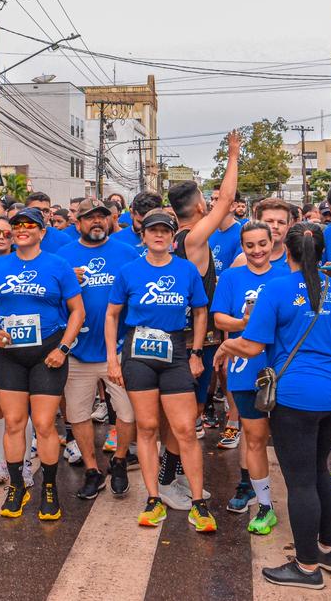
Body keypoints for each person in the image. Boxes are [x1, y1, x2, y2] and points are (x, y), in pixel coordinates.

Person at [222, 223, 331, 589]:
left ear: (289, 252)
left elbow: (252, 345)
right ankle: (330, 550)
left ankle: (306, 567)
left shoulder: (278, 289)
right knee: (319, 471)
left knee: (300, 481)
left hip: (298, 396)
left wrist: (225, 347)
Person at [104, 210, 213, 532]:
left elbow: (200, 311)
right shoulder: (128, 272)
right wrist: (113, 358)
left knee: (185, 429)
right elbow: (112, 316)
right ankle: (153, 499)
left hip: (176, 350)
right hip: (138, 352)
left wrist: (195, 352)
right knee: (148, 428)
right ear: (144, 235)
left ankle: (198, 503)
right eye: (154, 230)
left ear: (173, 236)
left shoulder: (186, 270)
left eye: (166, 230)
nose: (159, 235)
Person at [0, 206, 85, 520]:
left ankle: (49, 488)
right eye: (16, 224)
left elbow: (77, 311)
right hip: (10, 353)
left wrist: (63, 348)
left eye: (29, 225)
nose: (21, 229)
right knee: (13, 424)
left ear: (41, 231)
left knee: (43, 424)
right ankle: (16, 487)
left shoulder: (58, 265)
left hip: (48, 353)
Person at [163, 130, 240, 498]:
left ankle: (171, 473)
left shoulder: (171, 241)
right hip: (195, 341)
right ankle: (169, 477)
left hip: (180, 336)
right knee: (188, 412)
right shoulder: (192, 239)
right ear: (197, 208)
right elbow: (226, 199)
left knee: (182, 411)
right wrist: (234, 153)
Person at [58, 198, 140, 499]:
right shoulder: (62, 257)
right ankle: (93, 470)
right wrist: (68, 283)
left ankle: (119, 461)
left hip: (117, 349)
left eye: (101, 217)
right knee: (78, 414)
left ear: (110, 221)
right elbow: (52, 301)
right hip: (78, 350)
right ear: (76, 223)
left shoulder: (127, 253)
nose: (96, 222)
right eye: (89, 217)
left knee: (127, 411)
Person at [212, 221, 286, 535]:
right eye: (249, 245)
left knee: (288, 441)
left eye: (261, 244)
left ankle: (299, 499)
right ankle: (265, 504)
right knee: (254, 440)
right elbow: (218, 319)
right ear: (242, 247)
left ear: (273, 243)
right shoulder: (230, 277)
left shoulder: (285, 277)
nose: (256, 250)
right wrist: (244, 321)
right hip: (245, 371)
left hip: (283, 370)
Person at [111, 191, 160, 257]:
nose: (144, 229)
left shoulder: (166, 240)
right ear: (131, 213)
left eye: (150, 224)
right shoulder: (116, 240)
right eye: (140, 223)